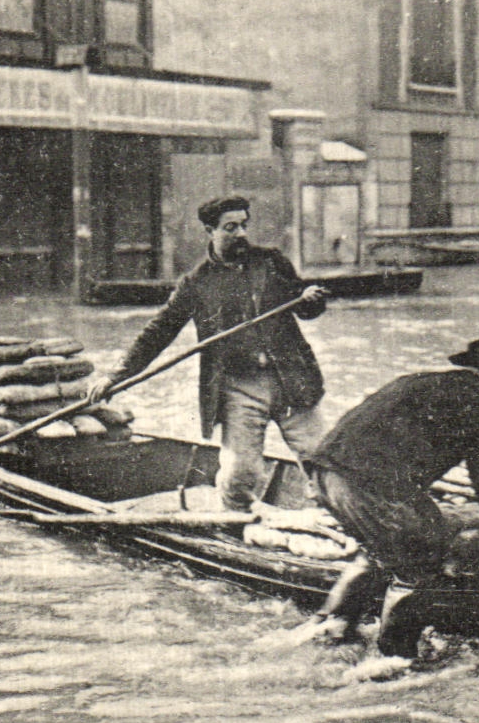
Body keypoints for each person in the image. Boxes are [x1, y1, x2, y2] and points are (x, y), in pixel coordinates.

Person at [87, 196, 329, 511]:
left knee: (322, 461)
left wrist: (310, 298)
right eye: (230, 227)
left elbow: (305, 306)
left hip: (291, 381)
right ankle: (236, 525)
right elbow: (157, 334)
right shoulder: (195, 284)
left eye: (244, 225)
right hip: (240, 389)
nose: (241, 233)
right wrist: (115, 376)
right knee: (242, 473)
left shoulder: (271, 262)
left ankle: (333, 519)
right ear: (209, 230)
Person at [306, 338, 479, 654]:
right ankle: (394, 657)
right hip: (365, 485)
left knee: (382, 549)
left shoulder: (421, 382)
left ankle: (330, 624)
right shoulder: (477, 404)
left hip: (325, 473)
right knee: (418, 568)